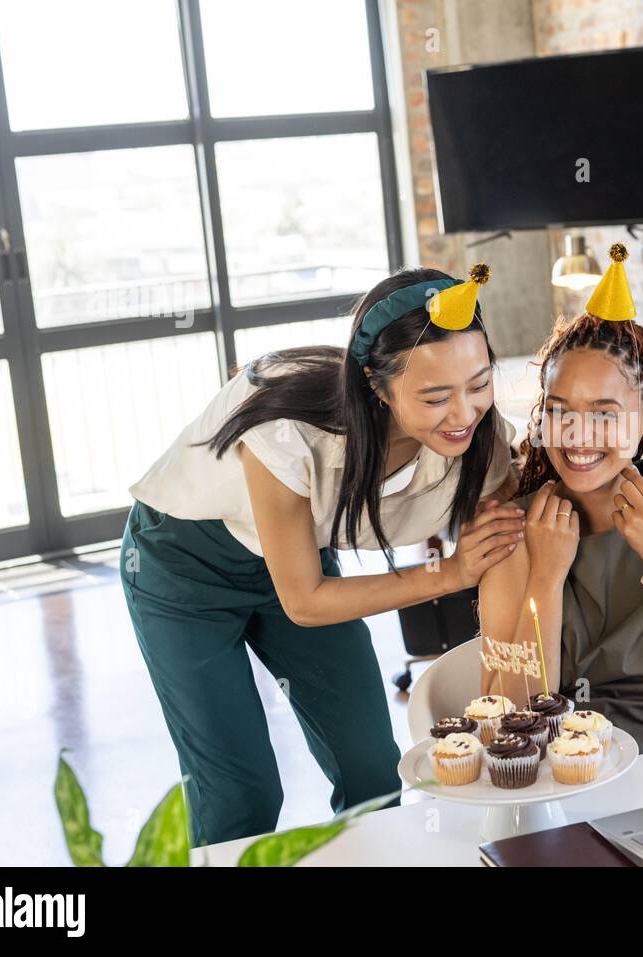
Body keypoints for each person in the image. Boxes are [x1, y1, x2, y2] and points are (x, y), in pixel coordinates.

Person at [121, 265, 527, 846]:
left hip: (296, 561)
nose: (464, 414)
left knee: (372, 770)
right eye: (436, 397)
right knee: (242, 791)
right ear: (376, 385)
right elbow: (306, 602)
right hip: (183, 570)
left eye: (480, 384)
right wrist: (451, 572)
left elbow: (512, 532)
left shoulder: (481, 441)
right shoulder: (289, 425)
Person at [478, 246, 643, 753]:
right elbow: (509, 716)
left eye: (604, 413)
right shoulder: (511, 530)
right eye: (560, 410)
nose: (578, 435)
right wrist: (546, 576)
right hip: (559, 774)